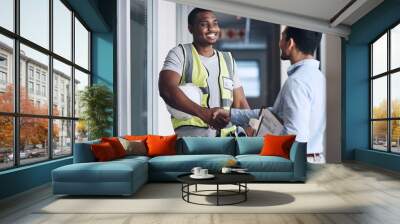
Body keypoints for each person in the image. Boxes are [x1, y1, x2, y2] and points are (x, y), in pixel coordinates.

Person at [216, 26, 326, 161]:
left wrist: (258, 149)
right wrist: (231, 114)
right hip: (313, 158)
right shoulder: (319, 77)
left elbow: (294, 136)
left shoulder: (296, 82)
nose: (279, 44)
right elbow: (274, 113)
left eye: (282, 39)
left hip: (297, 163)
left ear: (290, 43)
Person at [159, 8, 250, 137]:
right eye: (204, 24)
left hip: (227, 142)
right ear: (191, 28)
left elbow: (240, 103)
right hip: (193, 143)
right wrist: (204, 114)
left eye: (215, 23)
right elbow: (166, 89)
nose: (212, 29)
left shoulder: (228, 60)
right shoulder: (180, 54)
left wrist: (253, 128)